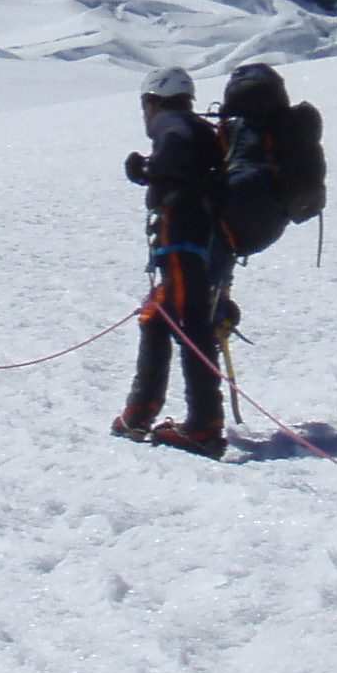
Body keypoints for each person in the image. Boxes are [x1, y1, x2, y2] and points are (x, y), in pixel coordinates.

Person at [112, 67, 231, 457]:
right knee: (158, 316)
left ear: (153, 98)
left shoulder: (171, 120)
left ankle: (205, 425)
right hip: (205, 237)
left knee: (190, 322)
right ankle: (139, 412)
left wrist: (147, 169)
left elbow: (174, 144)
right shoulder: (204, 129)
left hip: (181, 232)